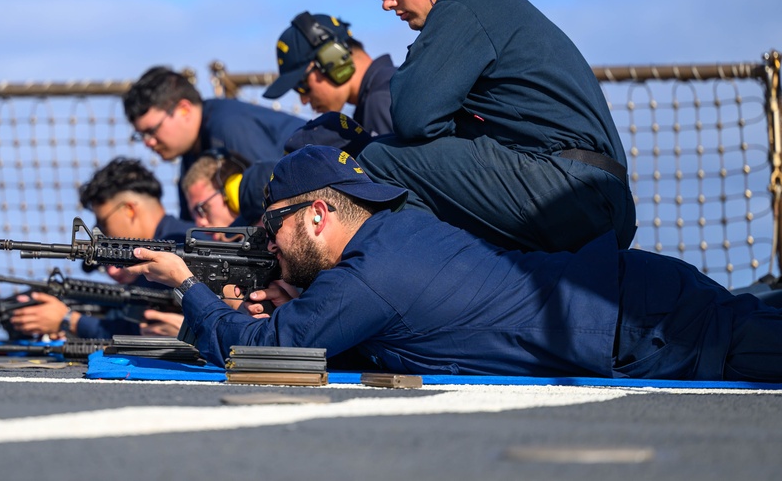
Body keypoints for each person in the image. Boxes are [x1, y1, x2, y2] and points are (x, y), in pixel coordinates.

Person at [124, 145, 782, 381]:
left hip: (649, 328)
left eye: (274, 224)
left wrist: (188, 289)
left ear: (318, 216)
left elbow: (269, 354)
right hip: (638, 306)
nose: (267, 241)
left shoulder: (372, 272)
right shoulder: (393, 236)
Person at [352, 0, 636, 253]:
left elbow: (412, 115)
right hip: (597, 196)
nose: (387, 3)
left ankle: (434, 293)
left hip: (574, 191)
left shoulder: (462, 5)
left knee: (381, 161)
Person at [9, 157, 187, 338]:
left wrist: (69, 320)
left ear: (129, 210)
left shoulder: (183, 250)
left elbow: (139, 331)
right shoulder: (178, 243)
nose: (102, 232)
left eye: (103, 222)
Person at [123, 66, 305, 220]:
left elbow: (277, 199)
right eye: (142, 136)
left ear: (184, 110)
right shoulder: (192, 152)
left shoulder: (229, 127)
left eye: (151, 131)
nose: (148, 142)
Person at [262, 12, 397, 136]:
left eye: (301, 85)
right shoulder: (385, 94)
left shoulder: (382, 100)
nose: (304, 101)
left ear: (332, 59)